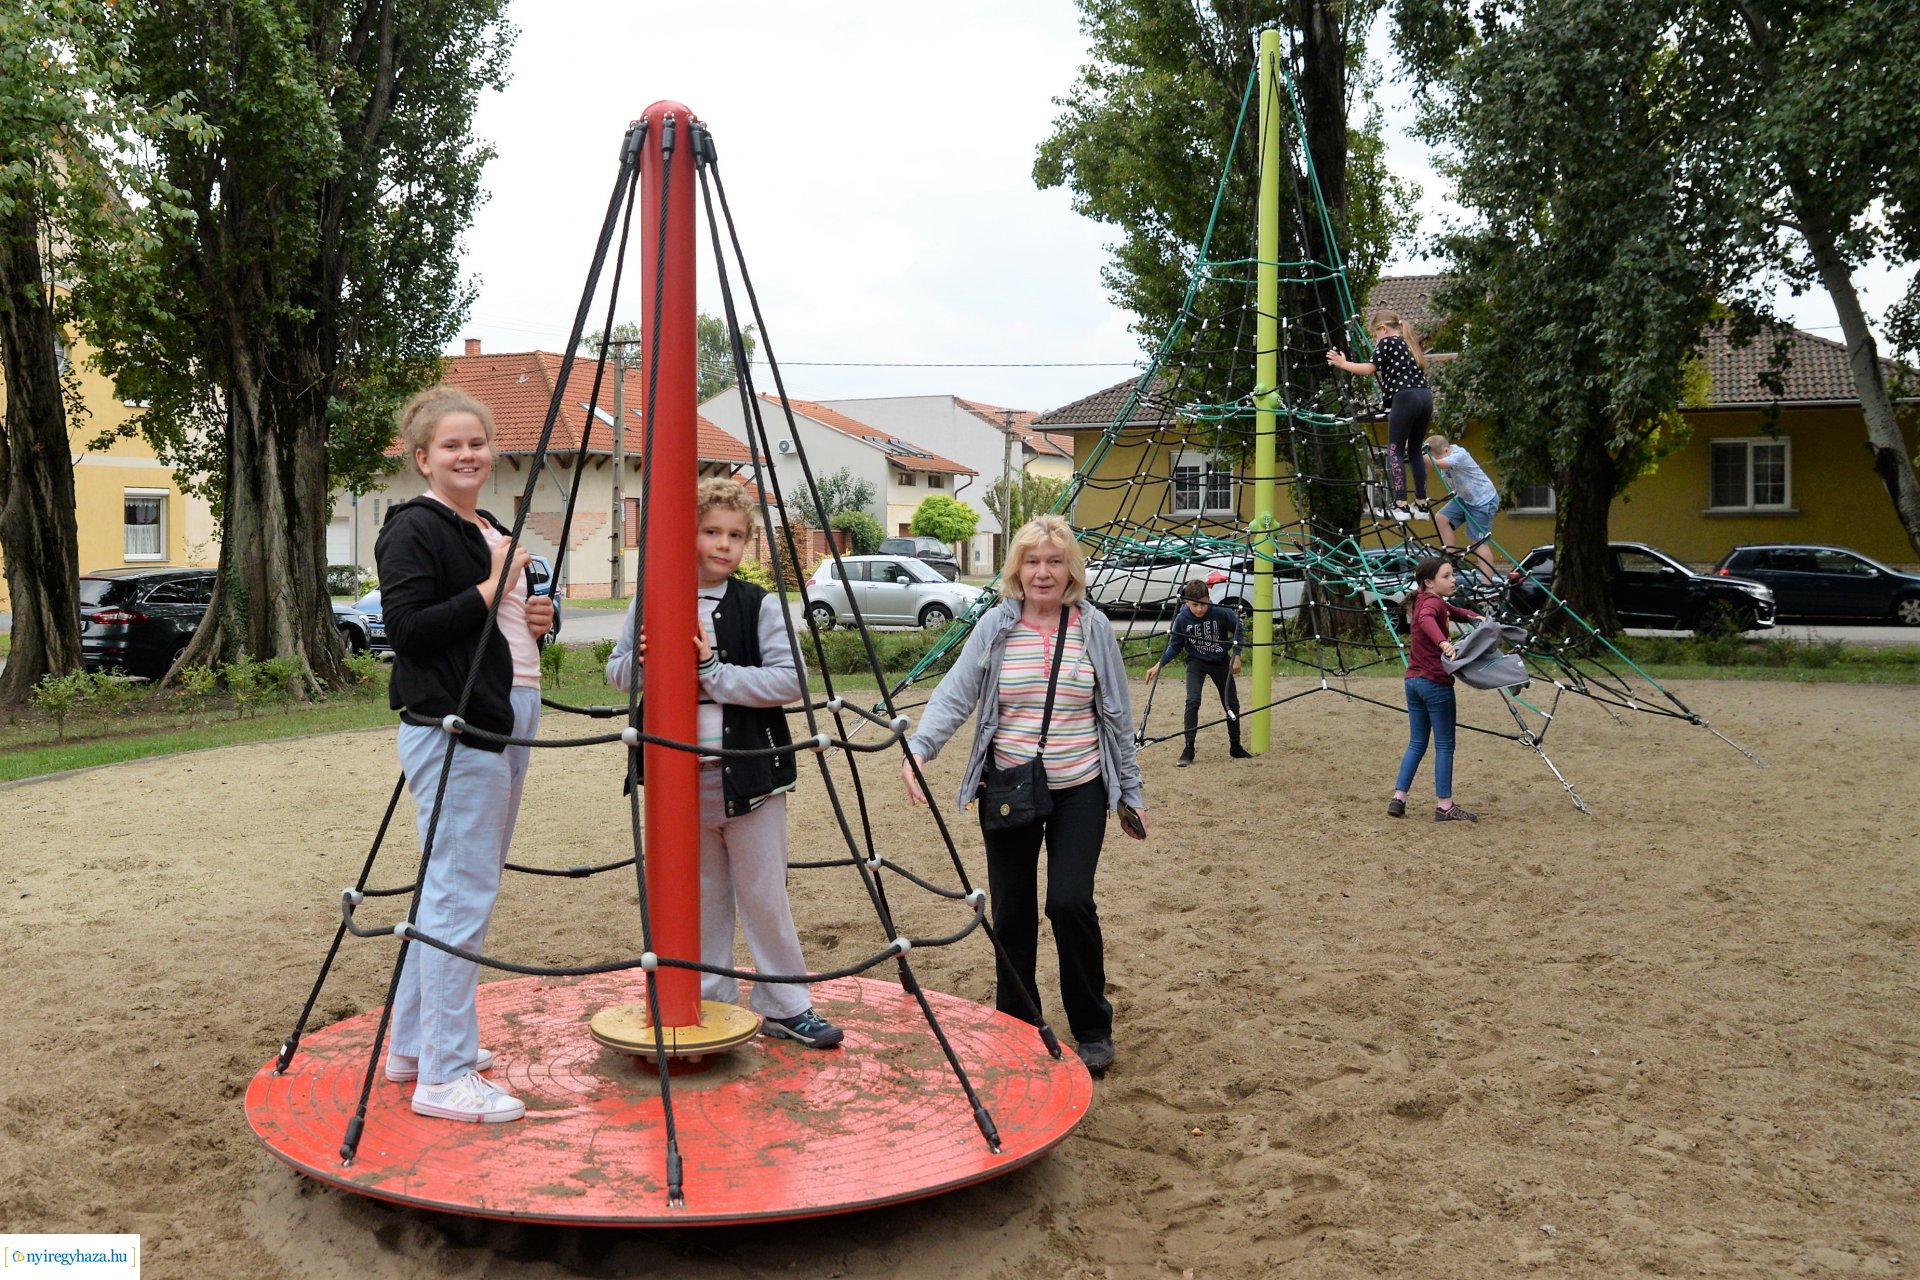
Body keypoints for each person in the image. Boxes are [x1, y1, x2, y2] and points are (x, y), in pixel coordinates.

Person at [901, 515, 1146, 1075]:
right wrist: (920, 750)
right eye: (1032, 561)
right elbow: (955, 695)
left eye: (1054, 562)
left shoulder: (1094, 629)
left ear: (1070, 571)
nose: (1043, 572)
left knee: (1069, 903)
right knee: (1011, 914)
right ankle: (1016, 1022)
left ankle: (1091, 1025)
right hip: (1009, 788)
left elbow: (1116, 716)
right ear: (1017, 569)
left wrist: (1129, 790)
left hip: (1079, 786)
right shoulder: (995, 627)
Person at [604, 477, 843, 1049]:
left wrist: (712, 670)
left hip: (750, 777)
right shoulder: (652, 596)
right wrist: (645, 663)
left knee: (764, 894)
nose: (723, 544)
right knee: (701, 894)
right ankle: (711, 999)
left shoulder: (757, 605)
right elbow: (617, 673)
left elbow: (791, 680)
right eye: (711, 531)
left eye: (736, 536)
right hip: (676, 780)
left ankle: (787, 1003)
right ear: (684, 535)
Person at [375, 385, 554, 1123]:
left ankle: (415, 1046)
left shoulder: (486, 524)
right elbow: (409, 628)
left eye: (476, 444)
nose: (467, 454)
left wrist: (539, 615)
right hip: (455, 723)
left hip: (504, 710)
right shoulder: (415, 528)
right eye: (451, 445)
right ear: (424, 458)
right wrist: (492, 585)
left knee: (452, 889)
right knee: (458, 895)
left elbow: (506, 623)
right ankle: (444, 1076)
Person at [1391, 555, 1482, 823]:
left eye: (1452, 574)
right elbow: (1429, 621)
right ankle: (1445, 806)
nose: (1453, 579)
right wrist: (1443, 643)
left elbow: (1455, 612)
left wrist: (1476, 617)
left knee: (1417, 742)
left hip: (1413, 682)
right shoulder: (1430, 605)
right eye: (1446, 576)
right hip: (1434, 684)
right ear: (1429, 582)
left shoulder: (1425, 599)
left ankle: (1398, 798)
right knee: (1444, 745)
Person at [1327, 309, 1434, 515]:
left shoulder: (1387, 342)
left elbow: (1369, 369)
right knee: (1414, 451)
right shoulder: (1410, 344)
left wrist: (1343, 364)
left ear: (1383, 329)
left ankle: (1401, 503)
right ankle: (1421, 503)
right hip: (1425, 397)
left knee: (1394, 450)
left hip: (1405, 398)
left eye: (1375, 334)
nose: (1375, 339)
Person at [1143, 577, 1251, 766]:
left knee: (1231, 703)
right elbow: (1175, 646)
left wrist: (1237, 655)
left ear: (1209, 599)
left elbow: (1238, 630)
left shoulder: (1220, 612)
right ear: (1187, 603)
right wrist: (1158, 665)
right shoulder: (1183, 618)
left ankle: (1236, 746)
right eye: (1195, 605)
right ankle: (1188, 748)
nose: (1200, 609)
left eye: (1203, 604)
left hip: (1220, 661)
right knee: (1192, 701)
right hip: (1196, 663)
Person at [1426, 434, 1501, 587]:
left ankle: (1487, 584)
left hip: (1483, 501)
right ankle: (1451, 556)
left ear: (1447, 450)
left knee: (1478, 542)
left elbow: (1437, 464)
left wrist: (1420, 456)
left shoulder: (1460, 455)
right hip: (1464, 499)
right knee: (1441, 518)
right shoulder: (1445, 453)